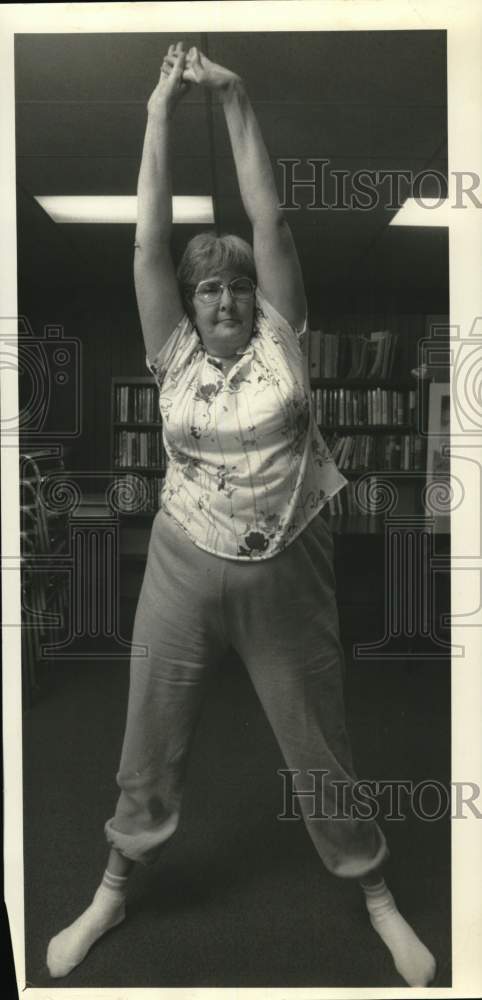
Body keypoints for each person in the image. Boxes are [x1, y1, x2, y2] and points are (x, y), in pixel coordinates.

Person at [46, 43, 436, 987]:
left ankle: (375, 891)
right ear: (189, 303)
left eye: (238, 283)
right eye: (208, 285)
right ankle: (114, 886)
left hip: (289, 564)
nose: (225, 295)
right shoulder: (172, 354)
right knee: (148, 734)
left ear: (259, 294)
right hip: (183, 562)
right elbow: (146, 246)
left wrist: (233, 99)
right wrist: (156, 113)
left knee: (318, 741)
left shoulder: (284, 343)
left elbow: (271, 220)